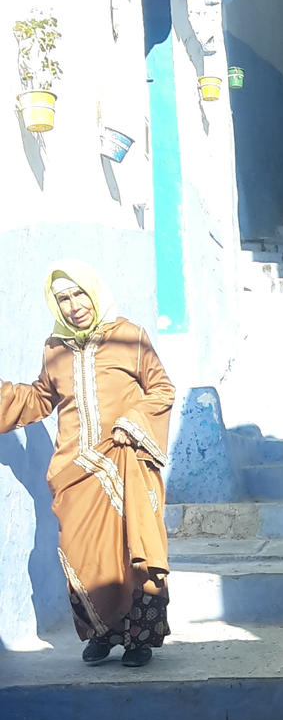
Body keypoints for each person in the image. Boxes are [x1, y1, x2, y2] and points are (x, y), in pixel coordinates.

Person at [0, 262, 175, 666]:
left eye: (79, 294)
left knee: (134, 551)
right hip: (75, 471)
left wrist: (133, 422)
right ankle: (101, 633)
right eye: (64, 298)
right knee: (81, 554)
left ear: (94, 293)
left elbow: (161, 388)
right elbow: (41, 398)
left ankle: (138, 640)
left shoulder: (130, 337)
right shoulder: (54, 349)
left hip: (125, 463)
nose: (74, 305)